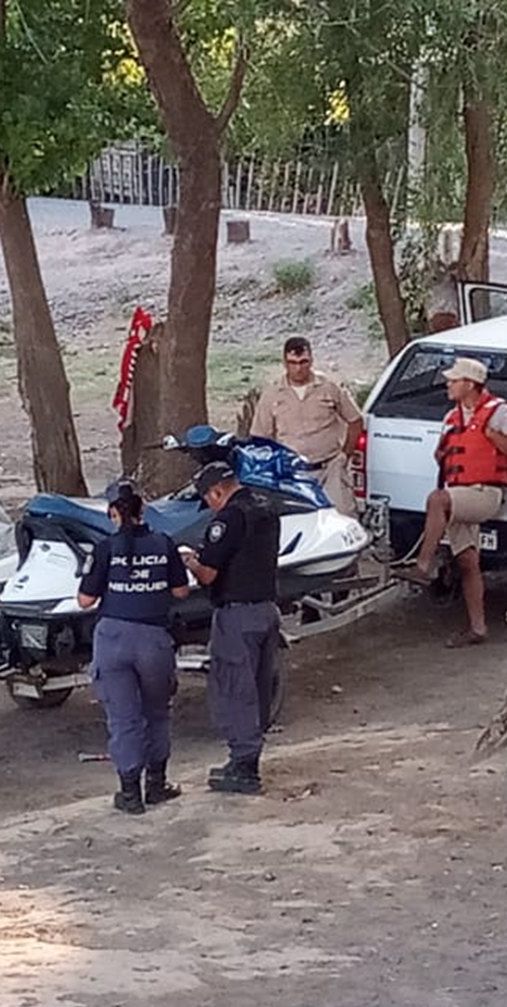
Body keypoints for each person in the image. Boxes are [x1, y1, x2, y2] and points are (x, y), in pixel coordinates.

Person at [76, 481, 190, 815]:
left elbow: (85, 601)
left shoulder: (105, 548)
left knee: (124, 719)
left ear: (113, 513)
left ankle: (129, 795)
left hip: (112, 640)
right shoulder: (163, 543)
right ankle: (157, 786)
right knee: (156, 712)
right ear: (143, 511)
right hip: (154, 640)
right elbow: (182, 592)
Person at [404, 356, 507, 646]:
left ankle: (423, 566)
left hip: (485, 494)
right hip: (460, 493)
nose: (447, 384)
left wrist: (491, 436)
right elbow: (440, 454)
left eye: (453, 380)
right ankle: (478, 629)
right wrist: (444, 452)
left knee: (437, 499)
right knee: (468, 561)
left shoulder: (501, 413)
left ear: (470, 384)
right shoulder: (451, 417)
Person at [179, 462, 282, 795]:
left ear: (217, 491)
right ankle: (249, 755)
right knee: (258, 687)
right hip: (267, 608)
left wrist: (191, 560)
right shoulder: (266, 507)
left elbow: (208, 574)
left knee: (235, 689)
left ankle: (243, 765)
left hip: (237, 614)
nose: (208, 505)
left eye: (208, 499)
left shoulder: (228, 519)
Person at [247, 336, 365, 516]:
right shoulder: (272, 394)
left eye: (303, 362)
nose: (298, 368)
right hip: (293, 473)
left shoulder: (329, 387)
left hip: (330, 467)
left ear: (311, 361)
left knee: (343, 519)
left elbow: (355, 421)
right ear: (284, 363)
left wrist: (344, 456)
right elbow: (260, 437)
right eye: (292, 363)